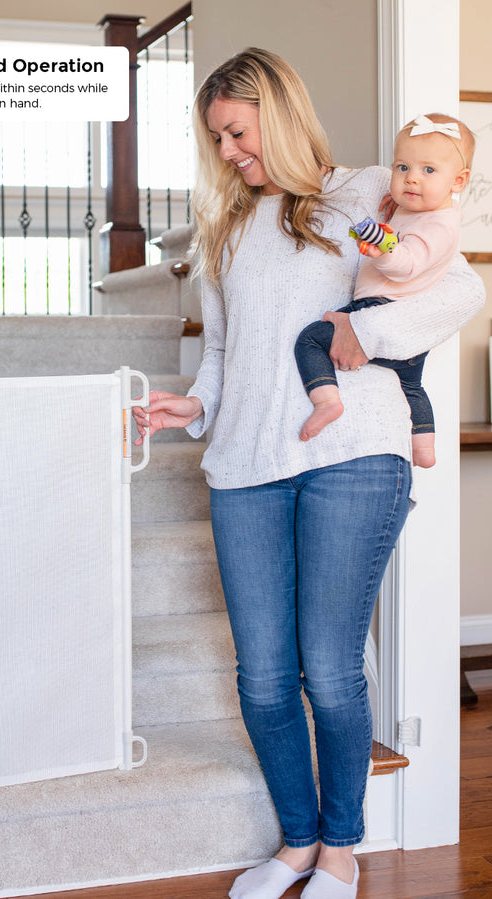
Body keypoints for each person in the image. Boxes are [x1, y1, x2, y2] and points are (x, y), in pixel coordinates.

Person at [132, 48, 484, 899]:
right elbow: (224, 351)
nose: (226, 152)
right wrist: (195, 406)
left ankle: (340, 848)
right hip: (246, 462)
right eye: (214, 137)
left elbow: (460, 287)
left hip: (353, 454)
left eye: (237, 131)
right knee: (262, 673)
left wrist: (376, 336)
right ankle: (295, 841)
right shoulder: (224, 229)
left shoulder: (370, 191)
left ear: (279, 115)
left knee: (329, 667)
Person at [294, 113, 475, 468]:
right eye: (403, 167)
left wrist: (385, 250)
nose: (411, 178)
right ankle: (424, 447)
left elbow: (408, 263)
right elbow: (412, 208)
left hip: (381, 307)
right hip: (407, 328)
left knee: (311, 339)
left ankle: (326, 400)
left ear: (459, 180)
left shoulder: (438, 226)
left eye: (428, 171)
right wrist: (401, 206)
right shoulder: (433, 210)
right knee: (410, 385)